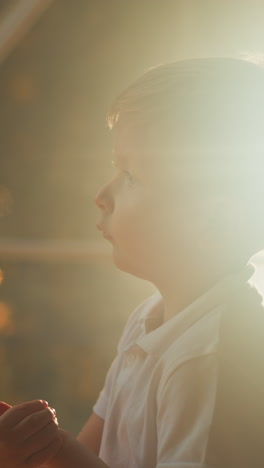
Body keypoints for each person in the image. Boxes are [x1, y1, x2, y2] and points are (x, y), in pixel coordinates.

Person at [1, 57, 264, 468]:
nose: (102, 194)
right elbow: (93, 454)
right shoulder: (150, 321)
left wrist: (52, 449)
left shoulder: (208, 360)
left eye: (131, 176)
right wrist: (36, 451)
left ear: (214, 217)